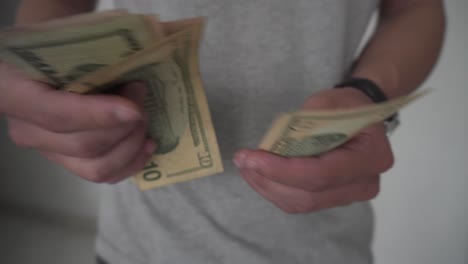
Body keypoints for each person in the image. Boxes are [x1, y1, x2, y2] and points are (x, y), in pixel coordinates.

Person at [0, 0, 445, 263]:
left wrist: (366, 95)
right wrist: (47, 93)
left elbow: (415, 7)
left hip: (323, 247)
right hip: (139, 247)